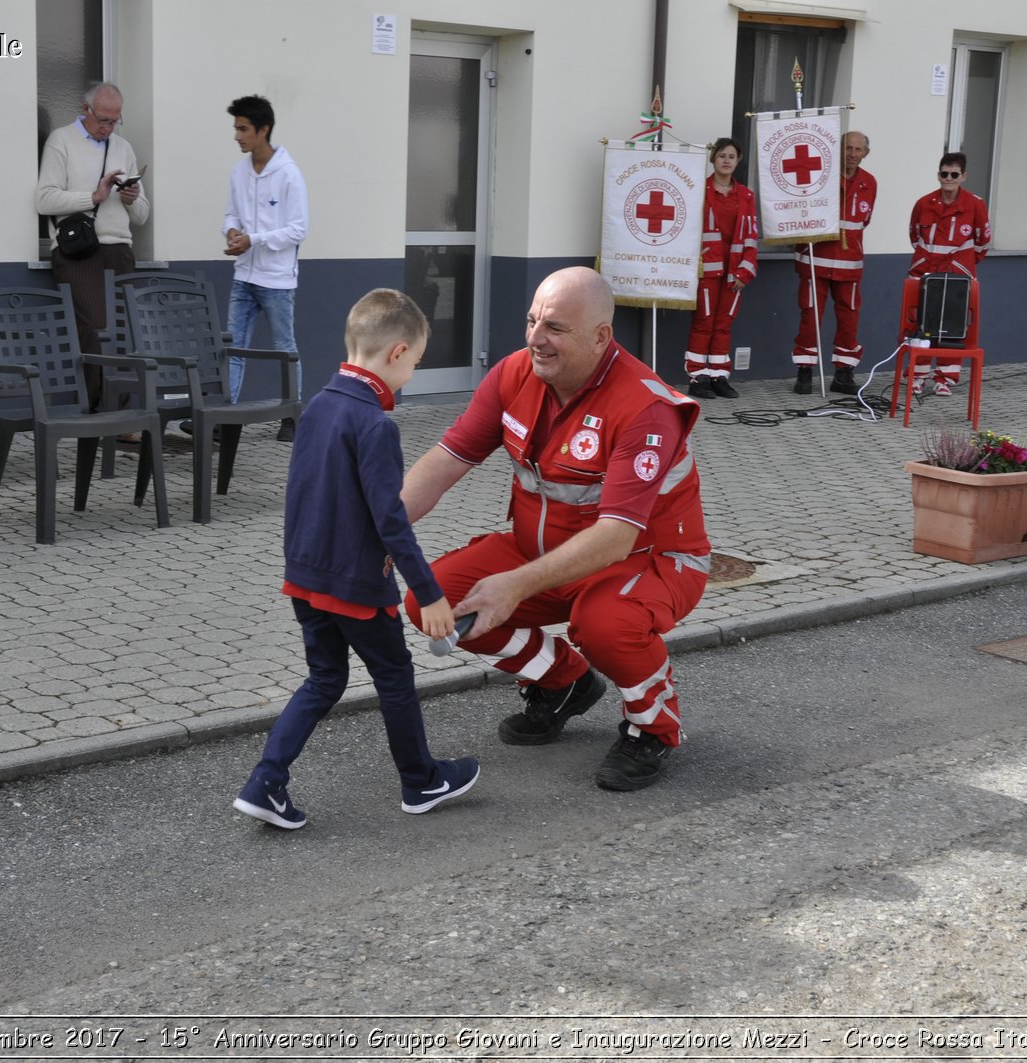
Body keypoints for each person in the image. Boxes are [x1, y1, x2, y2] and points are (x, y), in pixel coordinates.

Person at [401, 267, 710, 792]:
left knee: (603, 624)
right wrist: (380, 533)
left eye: (556, 328)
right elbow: (445, 462)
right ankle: (564, 683)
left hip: (649, 561)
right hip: (544, 554)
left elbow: (616, 537)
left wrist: (515, 585)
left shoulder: (645, 408)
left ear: (600, 337)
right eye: (531, 322)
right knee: (433, 601)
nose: (536, 339)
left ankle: (653, 727)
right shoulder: (513, 375)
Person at [233, 289, 478, 829]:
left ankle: (266, 781)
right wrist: (430, 592)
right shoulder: (376, 425)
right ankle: (421, 780)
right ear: (396, 353)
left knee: (324, 679)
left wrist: (296, 566)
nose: (413, 371)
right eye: (415, 361)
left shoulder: (318, 407)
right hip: (357, 587)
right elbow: (390, 520)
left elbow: (298, 494)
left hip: (305, 577)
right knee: (394, 676)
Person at [35, 82, 151, 408]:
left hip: (120, 248)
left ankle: (125, 414)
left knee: (126, 330)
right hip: (79, 252)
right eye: (103, 120)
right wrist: (94, 197)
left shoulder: (123, 147)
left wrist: (131, 198)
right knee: (96, 329)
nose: (108, 128)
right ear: (85, 110)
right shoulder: (62, 141)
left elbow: (142, 215)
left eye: (115, 121)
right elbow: (44, 199)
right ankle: (99, 410)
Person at [222, 94, 306, 442]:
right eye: (236, 128)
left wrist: (253, 239)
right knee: (233, 347)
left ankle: (293, 415)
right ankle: (225, 419)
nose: (237, 136)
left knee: (285, 347)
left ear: (263, 130)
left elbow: (298, 229)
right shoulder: (238, 172)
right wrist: (230, 230)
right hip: (244, 275)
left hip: (276, 280)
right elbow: (230, 213)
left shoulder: (288, 174)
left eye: (243, 129)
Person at [791, 130, 876, 395]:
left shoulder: (870, 182)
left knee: (849, 319)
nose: (852, 154)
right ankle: (804, 372)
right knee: (810, 317)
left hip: (849, 263)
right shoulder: (821, 176)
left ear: (866, 154)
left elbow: (863, 220)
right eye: (848, 148)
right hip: (816, 258)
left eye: (857, 149)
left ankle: (843, 373)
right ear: (838, 150)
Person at [906, 151, 991, 396]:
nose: (948, 179)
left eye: (954, 174)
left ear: (964, 176)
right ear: (938, 175)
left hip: (957, 272)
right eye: (944, 174)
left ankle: (946, 378)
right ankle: (917, 376)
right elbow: (914, 235)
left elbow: (982, 241)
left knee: (952, 325)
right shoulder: (924, 203)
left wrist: (963, 263)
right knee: (919, 323)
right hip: (924, 270)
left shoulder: (975, 204)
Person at [684, 138, 758, 399]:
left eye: (731, 156)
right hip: (707, 269)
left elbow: (751, 236)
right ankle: (698, 377)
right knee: (703, 323)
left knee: (724, 324)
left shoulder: (746, 196)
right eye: (722, 156)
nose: (726, 161)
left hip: (734, 272)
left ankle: (719, 375)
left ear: (738, 161)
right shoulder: (697, 191)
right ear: (713, 159)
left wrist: (744, 272)